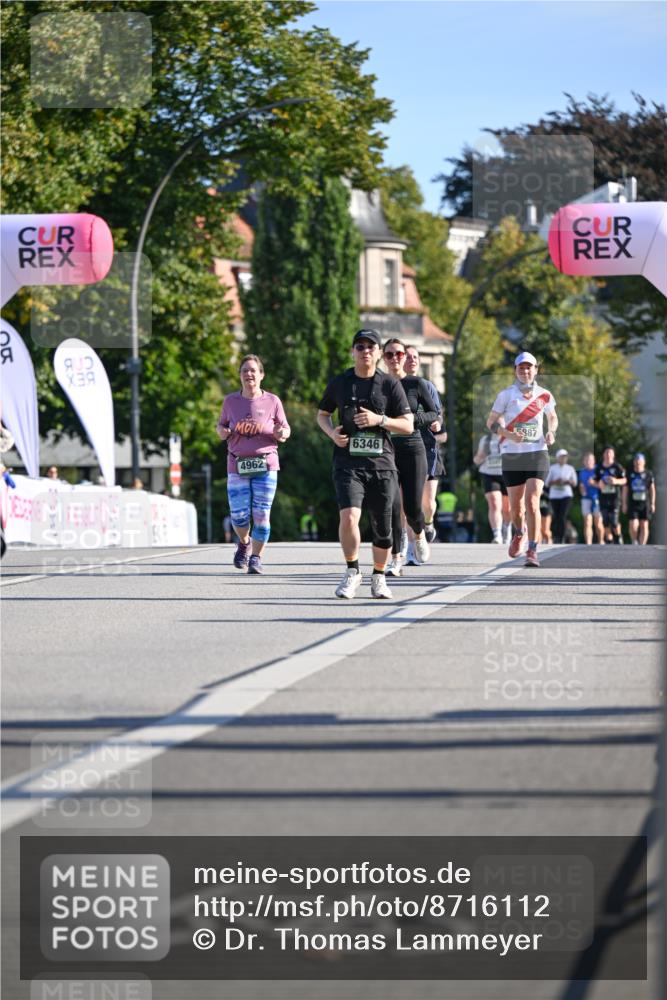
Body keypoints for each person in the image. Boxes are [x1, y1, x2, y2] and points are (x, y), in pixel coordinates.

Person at [317, 329, 413, 599]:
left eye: (371, 347)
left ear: (379, 353)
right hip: (348, 463)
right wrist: (332, 433)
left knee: (382, 527)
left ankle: (379, 576)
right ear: (353, 352)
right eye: (360, 346)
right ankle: (352, 571)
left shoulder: (389, 385)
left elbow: (407, 425)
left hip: (382, 464)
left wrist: (378, 420)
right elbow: (322, 414)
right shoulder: (340, 383)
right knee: (349, 517)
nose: (365, 351)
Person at [217, 354, 290, 574]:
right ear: (240, 376)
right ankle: (244, 542)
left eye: (253, 370)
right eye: (244, 371)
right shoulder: (230, 401)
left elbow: (285, 429)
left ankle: (256, 557)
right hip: (237, 464)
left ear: (261, 375)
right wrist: (222, 432)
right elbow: (220, 426)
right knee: (238, 515)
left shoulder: (272, 401)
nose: (249, 374)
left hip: (266, 465)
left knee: (261, 514)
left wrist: (281, 433)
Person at [486, 350, 557, 568]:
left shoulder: (545, 394)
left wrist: (551, 431)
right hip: (513, 455)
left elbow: (552, 417)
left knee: (533, 501)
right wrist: (507, 434)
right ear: (515, 370)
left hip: (537, 453)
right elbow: (490, 423)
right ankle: (519, 531)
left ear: (536, 370)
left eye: (529, 367)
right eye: (521, 367)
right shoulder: (506, 395)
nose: (525, 371)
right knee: (516, 509)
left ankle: (533, 550)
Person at [382, 339, 439, 573]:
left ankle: (418, 534)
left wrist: (410, 421)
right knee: (393, 506)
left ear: (405, 357)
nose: (395, 358)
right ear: (383, 358)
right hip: (387, 450)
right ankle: (396, 558)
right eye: (389, 355)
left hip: (414, 448)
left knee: (413, 508)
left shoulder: (416, 384)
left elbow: (433, 413)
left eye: (398, 354)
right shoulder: (378, 384)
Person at [403, 346, 445, 544]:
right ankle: (406, 543)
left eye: (416, 357)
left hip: (427, 447)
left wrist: (437, 423)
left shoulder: (426, 385)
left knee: (427, 502)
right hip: (403, 445)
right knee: (407, 501)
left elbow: (437, 414)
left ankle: (428, 523)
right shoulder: (393, 385)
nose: (412, 360)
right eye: (408, 356)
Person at [473, 430, 511, 544]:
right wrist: (481, 457)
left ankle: (507, 528)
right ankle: (497, 534)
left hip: (507, 475)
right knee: (494, 504)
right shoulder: (485, 440)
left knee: (508, 509)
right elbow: (476, 460)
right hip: (489, 474)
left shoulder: (510, 438)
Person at [590, 446, 626, 545]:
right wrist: (598, 484)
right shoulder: (599, 468)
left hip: (614, 498)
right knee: (605, 521)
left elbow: (625, 480)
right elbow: (591, 480)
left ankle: (618, 537)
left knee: (614, 521)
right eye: (606, 453)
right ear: (603, 455)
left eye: (610, 453)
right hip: (603, 498)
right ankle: (609, 540)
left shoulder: (617, 467)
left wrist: (616, 481)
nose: (608, 455)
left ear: (613, 455)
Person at [544, 449, 577, 544]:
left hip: (566, 495)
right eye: (561, 457)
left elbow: (575, 482)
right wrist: (556, 481)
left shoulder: (570, 468)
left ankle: (561, 537)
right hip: (554, 496)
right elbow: (546, 483)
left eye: (565, 457)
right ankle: (556, 536)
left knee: (562, 516)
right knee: (557, 517)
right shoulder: (553, 468)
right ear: (558, 458)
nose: (563, 459)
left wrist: (567, 481)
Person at [623, 452, 655, 545]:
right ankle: (634, 541)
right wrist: (624, 503)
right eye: (636, 460)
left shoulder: (648, 474)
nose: (638, 462)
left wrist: (653, 503)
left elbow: (652, 489)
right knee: (633, 524)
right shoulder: (630, 474)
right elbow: (625, 489)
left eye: (640, 461)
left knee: (644, 525)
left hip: (645, 503)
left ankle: (642, 545)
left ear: (644, 462)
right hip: (633, 503)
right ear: (634, 462)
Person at [577, 452, 603, 545]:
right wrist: (581, 489)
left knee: (598, 523)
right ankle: (588, 544)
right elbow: (581, 485)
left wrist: (593, 484)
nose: (588, 462)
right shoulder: (582, 472)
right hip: (586, 498)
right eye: (586, 460)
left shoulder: (598, 470)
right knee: (587, 521)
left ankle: (601, 542)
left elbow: (603, 486)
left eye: (590, 460)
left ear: (594, 461)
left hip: (597, 498)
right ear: (584, 462)